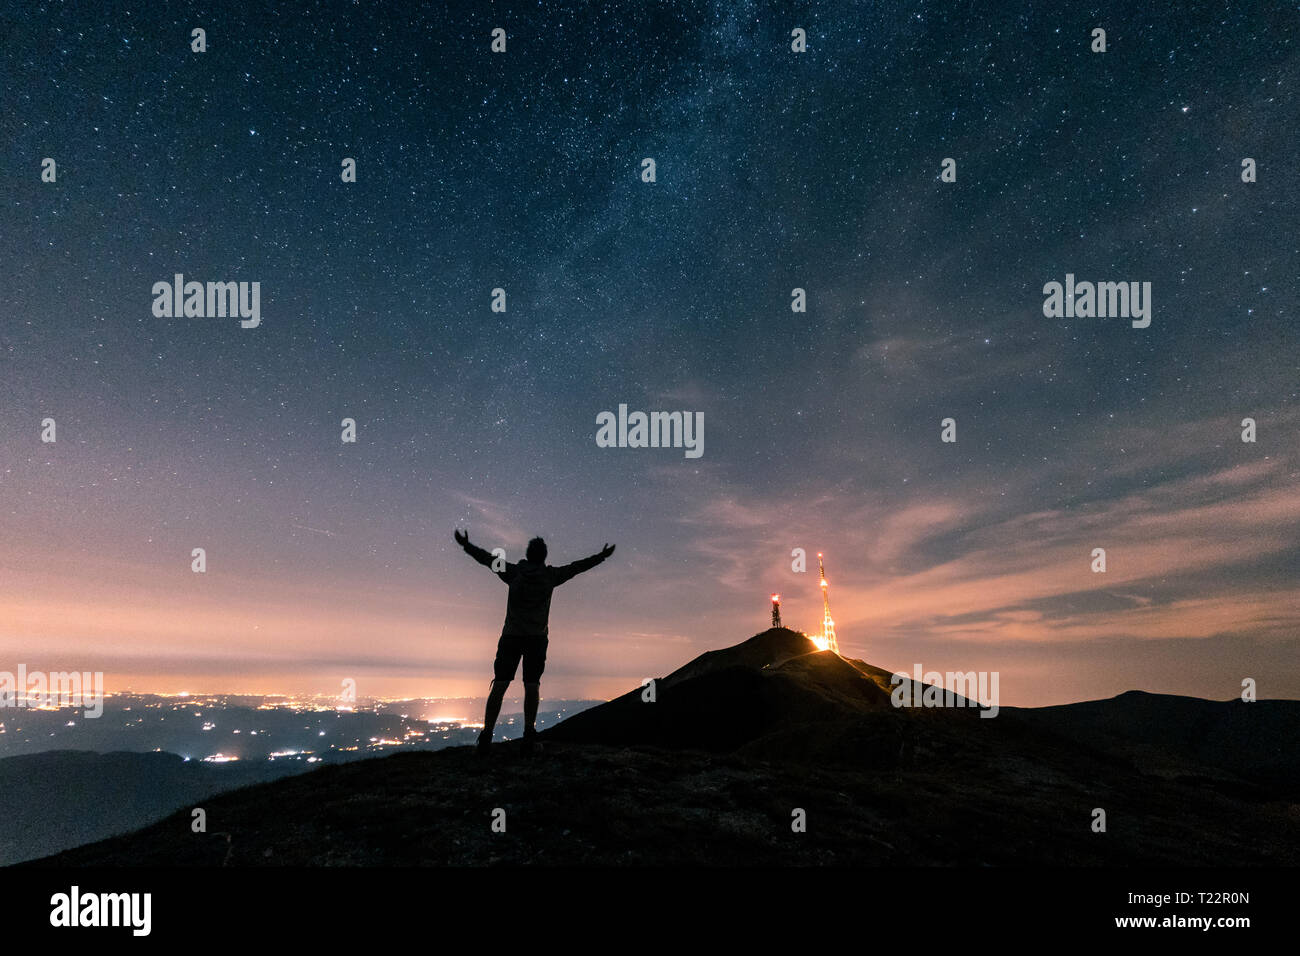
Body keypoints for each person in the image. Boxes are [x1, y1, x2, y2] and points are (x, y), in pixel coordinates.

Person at [453, 529, 614, 755]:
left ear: (528, 554)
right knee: (532, 685)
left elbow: (488, 560)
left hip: (511, 637)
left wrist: (466, 546)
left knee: (499, 684)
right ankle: (529, 737)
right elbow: (577, 567)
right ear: (544, 556)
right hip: (537, 639)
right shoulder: (551, 577)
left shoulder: (513, 572)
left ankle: (486, 737)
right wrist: (601, 557)